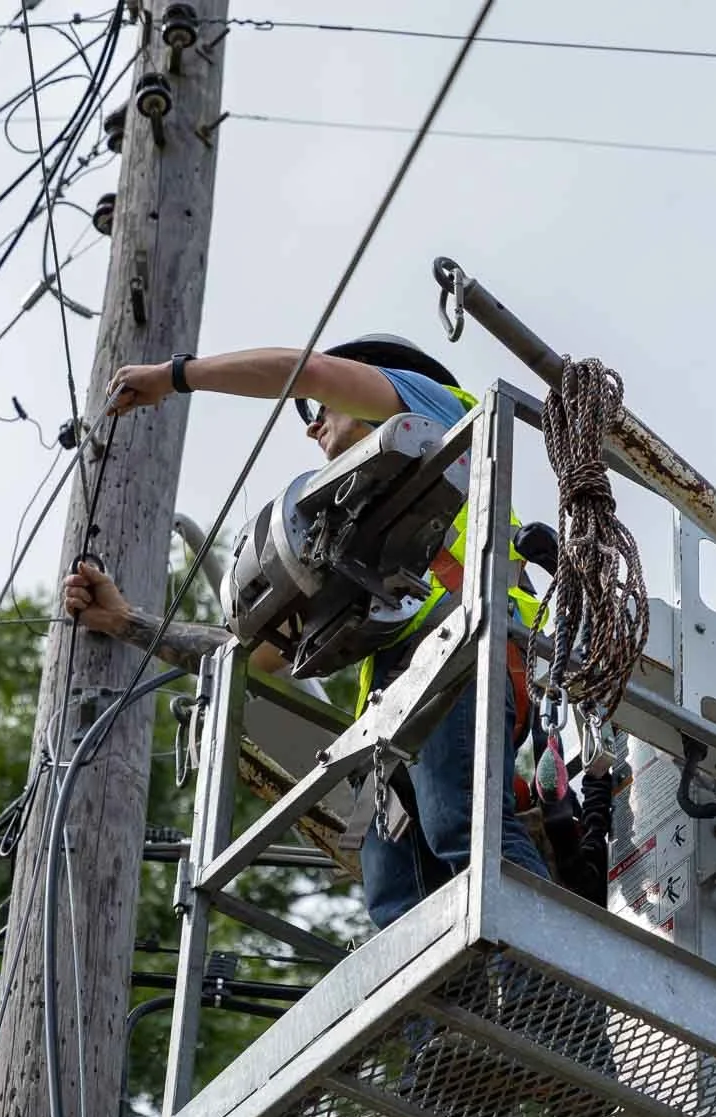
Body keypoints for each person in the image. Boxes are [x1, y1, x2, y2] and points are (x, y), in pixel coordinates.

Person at [60, 335, 552, 932]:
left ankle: (558, 1006)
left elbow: (308, 370)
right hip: (392, 711)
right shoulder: (359, 525)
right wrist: (126, 622)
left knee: (463, 823)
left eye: (319, 409)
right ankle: (451, 1027)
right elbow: (249, 655)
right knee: (395, 894)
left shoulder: (437, 413)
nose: (313, 425)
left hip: (469, 650)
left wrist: (176, 376)